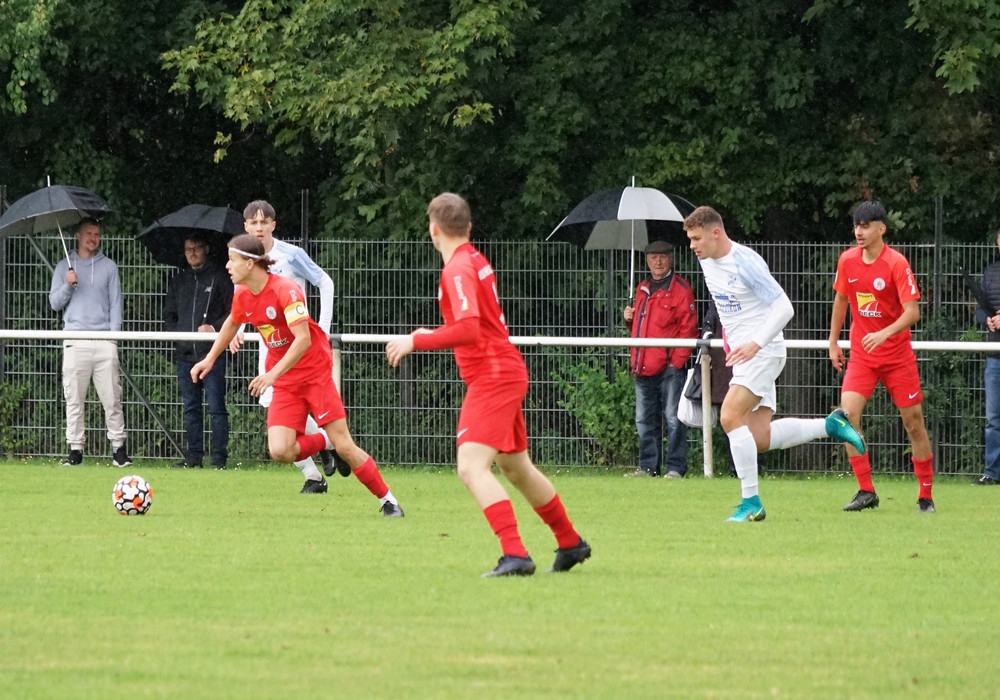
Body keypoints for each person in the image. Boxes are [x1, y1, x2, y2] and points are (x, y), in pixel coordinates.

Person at [386, 192, 590, 576]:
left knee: (470, 467)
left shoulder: (457, 269)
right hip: (504, 370)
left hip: (492, 376)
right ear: (468, 226)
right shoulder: (474, 259)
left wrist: (417, 339)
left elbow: (468, 328)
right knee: (516, 467)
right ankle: (570, 542)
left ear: (433, 230)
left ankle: (515, 554)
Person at [193, 234, 403, 516]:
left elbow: (303, 340)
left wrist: (270, 374)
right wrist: (209, 359)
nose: (227, 266)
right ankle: (326, 442)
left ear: (251, 263)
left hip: (314, 374)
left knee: (346, 447)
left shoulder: (287, 290)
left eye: (232, 260)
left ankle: (388, 500)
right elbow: (232, 322)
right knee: (280, 450)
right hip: (287, 381)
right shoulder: (243, 293)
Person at [684, 205, 866, 522]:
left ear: (716, 232)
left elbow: (784, 308)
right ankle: (830, 425)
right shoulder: (706, 259)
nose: (692, 246)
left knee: (729, 417)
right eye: (689, 239)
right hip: (744, 355)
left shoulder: (745, 263)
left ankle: (751, 503)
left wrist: (754, 343)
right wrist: (731, 337)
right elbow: (732, 307)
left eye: (696, 238)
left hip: (763, 352)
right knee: (759, 438)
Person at [229, 199, 348, 493]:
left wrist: (322, 328)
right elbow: (243, 302)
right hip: (270, 346)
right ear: (245, 227)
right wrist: (237, 331)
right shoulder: (241, 259)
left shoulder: (291, 255)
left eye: (263, 222)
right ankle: (318, 467)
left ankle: (327, 446)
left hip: (300, 347)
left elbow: (325, 282)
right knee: (273, 407)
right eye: (253, 223)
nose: (259, 227)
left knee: (289, 410)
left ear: (273, 225)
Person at [829, 200, 936, 512]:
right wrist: (833, 342)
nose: (859, 232)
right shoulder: (847, 260)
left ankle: (925, 495)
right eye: (856, 226)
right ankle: (866, 491)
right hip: (862, 356)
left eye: (865, 226)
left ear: (881, 229)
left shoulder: (896, 263)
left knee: (913, 423)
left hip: (897, 356)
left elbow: (912, 312)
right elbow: (841, 300)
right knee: (846, 418)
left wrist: (884, 333)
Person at [48, 217, 132, 467]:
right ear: (78, 236)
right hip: (75, 341)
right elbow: (54, 303)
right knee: (74, 399)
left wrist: (114, 339)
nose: (93, 238)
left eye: (97, 234)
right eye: (88, 233)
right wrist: (68, 285)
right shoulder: (64, 266)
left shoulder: (109, 267)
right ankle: (75, 450)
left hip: (104, 341)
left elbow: (116, 304)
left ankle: (118, 449)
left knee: (112, 398)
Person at [622, 240, 697, 478]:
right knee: (644, 419)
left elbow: (689, 329)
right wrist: (628, 319)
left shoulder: (681, 289)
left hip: (669, 368)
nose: (658, 261)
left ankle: (675, 468)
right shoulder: (642, 288)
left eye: (663, 256)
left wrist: (676, 362)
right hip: (642, 365)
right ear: (647, 260)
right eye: (653, 257)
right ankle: (648, 467)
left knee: (674, 418)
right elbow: (640, 327)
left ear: (671, 258)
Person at [163, 235, 233, 469]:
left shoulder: (220, 278)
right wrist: (179, 335)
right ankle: (194, 456)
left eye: (196, 248)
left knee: (216, 408)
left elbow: (234, 313)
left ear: (206, 249)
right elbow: (169, 315)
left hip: (212, 354)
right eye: (187, 249)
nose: (192, 253)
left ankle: (219, 458)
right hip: (185, 355)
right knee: (191, 408)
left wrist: (213, 328)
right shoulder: (179, 280)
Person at [974, 228, 1000, 486]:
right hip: (995, 356)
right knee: (993, 419)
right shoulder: (990, 272)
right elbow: (980, 310)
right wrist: (988, 320)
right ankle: (992, 473)